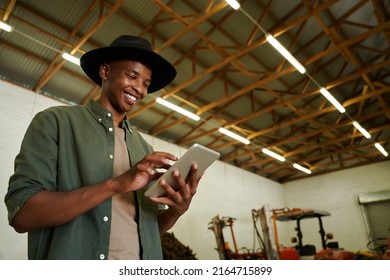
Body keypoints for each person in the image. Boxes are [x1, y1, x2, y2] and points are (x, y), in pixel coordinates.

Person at [4, 35, 202, 260]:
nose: (139, 89)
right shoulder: (56, 123)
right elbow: (23, 215)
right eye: (132, 76)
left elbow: (148, 231)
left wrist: (177, 209)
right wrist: (116, 184)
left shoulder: (144, 149)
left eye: (146, 83)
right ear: (105, 72)